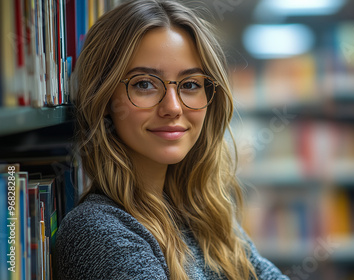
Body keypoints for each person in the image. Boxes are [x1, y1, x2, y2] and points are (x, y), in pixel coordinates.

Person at [54, 0, 290, 279]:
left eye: (190, 84)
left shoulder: (206, 219)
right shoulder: (97, 231)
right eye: (144, 84)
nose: (173, 107)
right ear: (104, 98)